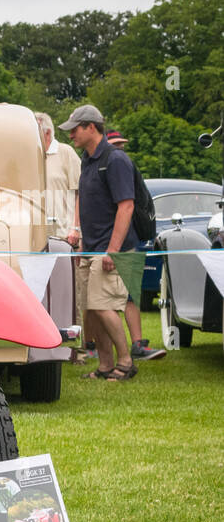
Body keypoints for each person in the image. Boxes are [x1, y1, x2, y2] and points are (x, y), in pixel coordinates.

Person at [60, 104, 138, 380]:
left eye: (75, 130)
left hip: (111, 248)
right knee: (91, 310)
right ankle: (105, 365)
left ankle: (126, 362)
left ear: (91, 127)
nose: (71, 135)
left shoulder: (115, 160)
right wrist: (80, 237)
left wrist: (112, 250)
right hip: (90, 246)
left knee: (103, 306)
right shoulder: (87, 159)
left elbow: (126, 206)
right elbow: (83, 197)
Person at [105, 130, 165, 361]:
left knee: (129, 295)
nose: (119, 148)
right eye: (115, 144)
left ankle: (134, 346)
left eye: (121, 144)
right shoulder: (117, 166)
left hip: (128, 239)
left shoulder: (121, 166)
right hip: (121, 240)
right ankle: (98, 346)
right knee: (104, 299)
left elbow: (126, 206)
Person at [36, 111, 85, 361]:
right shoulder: (32, 155)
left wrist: (75, 228)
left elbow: (79, 192)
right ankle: (45, 342)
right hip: (38, 234)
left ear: (46, 132)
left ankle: (75, 348)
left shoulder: (65, 153)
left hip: (65, 233)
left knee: (69, 291)